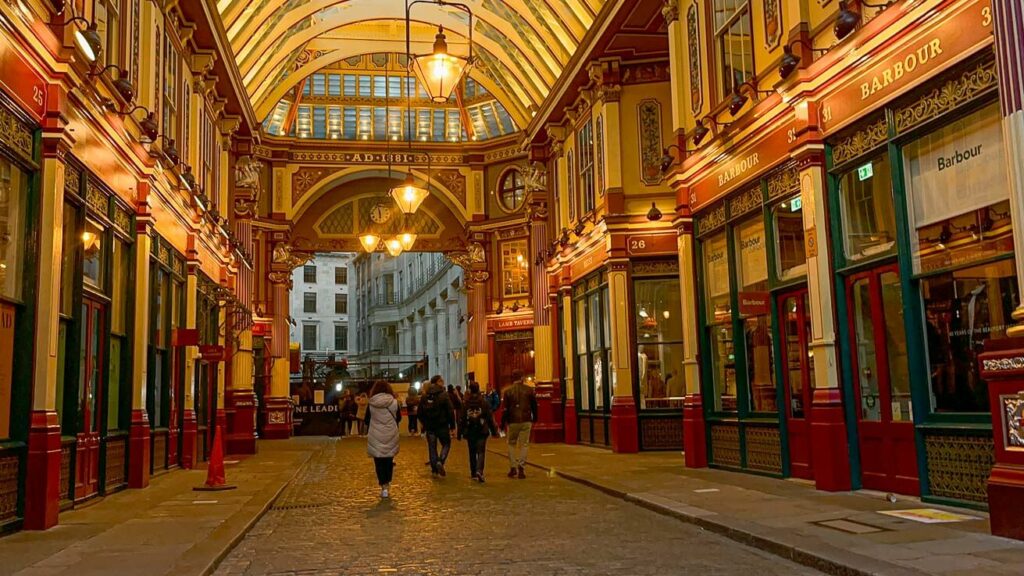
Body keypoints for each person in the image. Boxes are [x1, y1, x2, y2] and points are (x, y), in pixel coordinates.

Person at [365, 380, 401, 499]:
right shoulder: (394, 402)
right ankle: (387, 484)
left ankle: (383, 485)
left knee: (378, 461)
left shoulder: (371, 403)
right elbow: (399, 418)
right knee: (389, 460)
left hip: (376, 434)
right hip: (391, 433)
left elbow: (366, 420)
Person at [501, 370, 537, 479]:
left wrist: (502, 423)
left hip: (512, 421)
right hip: (526, 420)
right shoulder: (529, 390)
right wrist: (535, 418)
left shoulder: (507, 391)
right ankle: (521, 467)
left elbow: (505, 409)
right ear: (522, 378)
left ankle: (513, 467)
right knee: (524, 444)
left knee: (511, 443)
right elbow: (534, 405)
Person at [460, 381, 498, 482]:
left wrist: (460, 432)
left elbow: (462, 418)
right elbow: (489, 417)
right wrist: (494, 431)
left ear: (469, 389)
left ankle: (473, 473)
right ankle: (479, 470)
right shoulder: (484, 402)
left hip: (470, 429)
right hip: (482, 430)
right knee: (481, 451)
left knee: (472, 452)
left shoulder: (466, 403)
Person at [419, 375, 455, 476]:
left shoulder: (425, 396)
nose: (443, 382)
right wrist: (452, 426)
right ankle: (441, 461)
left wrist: (424, 423)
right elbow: (450, 410)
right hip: (442, 425)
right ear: (436, 382)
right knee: (446, 444)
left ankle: (434, 468)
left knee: (432, 447)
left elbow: (420, 412)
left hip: (430, 427)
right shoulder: (444, 394)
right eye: (441, 380)